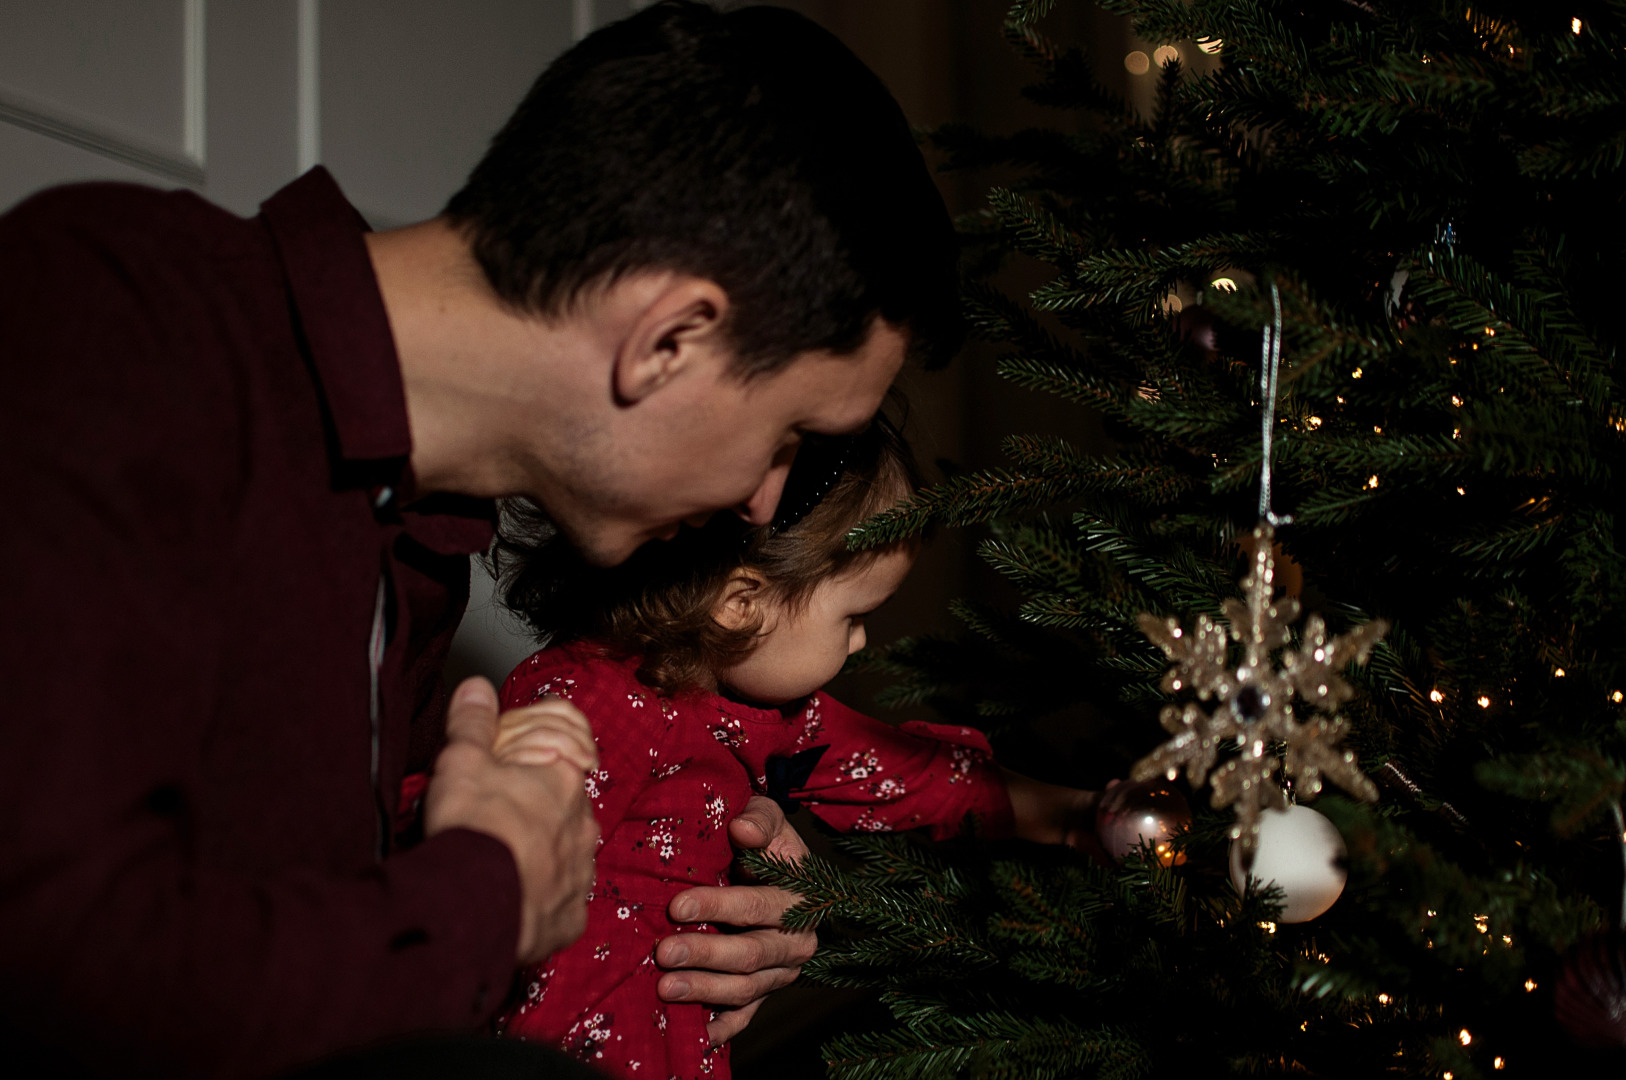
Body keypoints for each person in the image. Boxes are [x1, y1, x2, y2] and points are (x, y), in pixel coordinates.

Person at [0, 2, 960, 1076]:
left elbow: (329, 923)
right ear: (670, 340)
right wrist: (487, 898)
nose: (756, 502)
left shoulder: (416, 534)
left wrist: (680, 903)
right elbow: (55, 957)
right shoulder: (114, 317)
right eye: (789, 434)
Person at [482, 417, 1099, 1079]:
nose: (860, 642)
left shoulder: (766, 716)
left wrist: (1071, 817)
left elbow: (907, 776)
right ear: (741, 601)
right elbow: (493, 879)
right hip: (559, 1043)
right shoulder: (591, 701)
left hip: (678, 1038)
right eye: (852, 618)